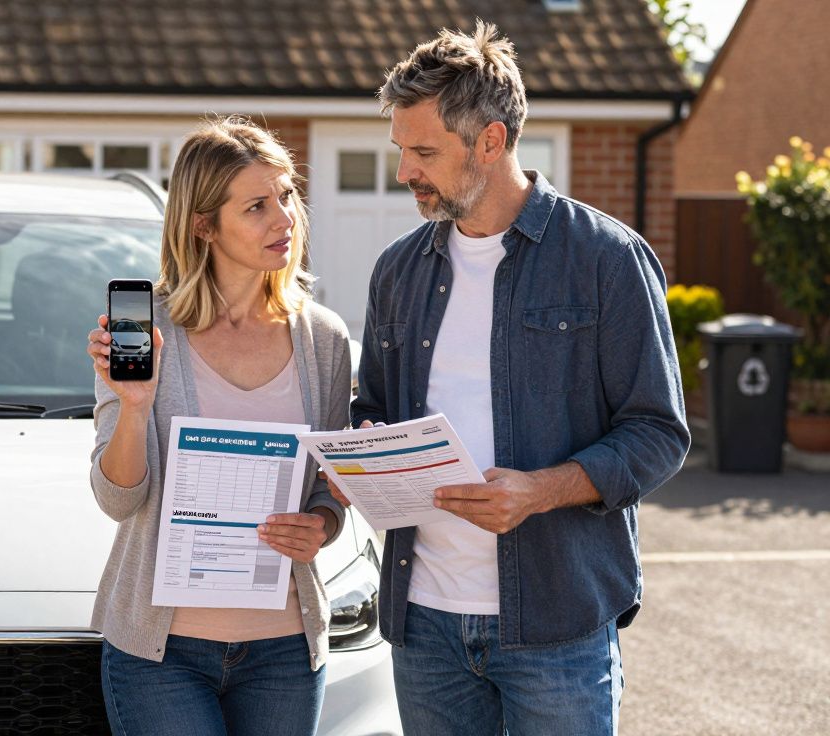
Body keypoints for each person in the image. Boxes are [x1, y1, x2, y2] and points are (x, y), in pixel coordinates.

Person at [339, 22, 690, 735]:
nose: (405, 170)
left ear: (490, 141)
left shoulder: (607, 260)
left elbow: (658, 433)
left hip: (558, 627)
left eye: (425, 152)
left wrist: (540, 491)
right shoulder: (398, 272)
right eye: (401, 150)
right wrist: (367, 449)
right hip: (425, 625)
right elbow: (371, 406)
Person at [86, 116, 352, 736]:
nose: (284, 219)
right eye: (257, 206)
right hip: (162, 653)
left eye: (286, 196)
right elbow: (119, 499)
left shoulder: (324, 340)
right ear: (203, 224)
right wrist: (133, 404)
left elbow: (329, 489)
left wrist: (323, 525)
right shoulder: (146, 333)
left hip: (285, 651)